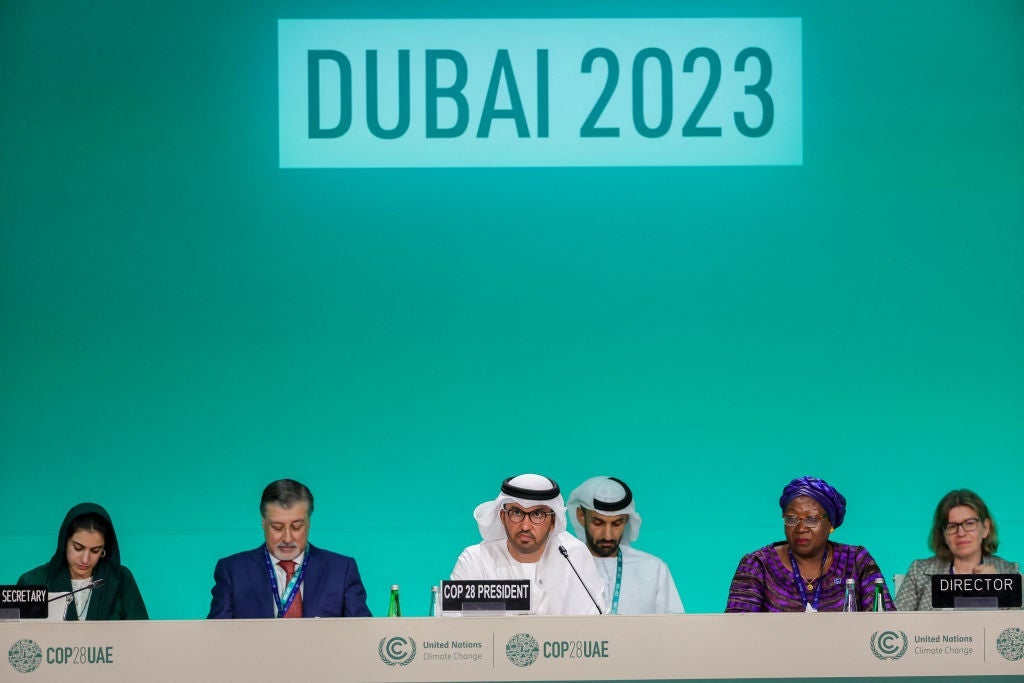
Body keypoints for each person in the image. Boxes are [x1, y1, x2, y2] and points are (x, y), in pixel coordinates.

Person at [726, 476, 894, 612]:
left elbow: (884, 627)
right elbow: (737, 631)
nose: (800, 528)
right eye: (791, 519)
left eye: (812, 519)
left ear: (831, 524)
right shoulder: (758, 565)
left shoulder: (856, 561)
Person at [208, 478, 371, 618]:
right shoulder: (233, 571)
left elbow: (363, 634)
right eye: (277, 527)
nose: (287, 538)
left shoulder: (341, 570)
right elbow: (216, 636)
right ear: (263, 523)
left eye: (296, 527)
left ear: (309, 523)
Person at [450, 473, 606, 615]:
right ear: (503, 517)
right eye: (516, 512)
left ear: (553, 521)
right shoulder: (475, 560)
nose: (525, 526)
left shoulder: (573, 557)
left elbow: (596, 624)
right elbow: (451, 624)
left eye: (537, 514)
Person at [567, 476, 684, 614]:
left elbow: (675, 624)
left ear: (626, 519)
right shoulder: (565, 565)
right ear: (581, 516)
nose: (608, 535)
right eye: (598, 523)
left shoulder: (654, 569)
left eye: (617, 523)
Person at [17, 502, 148, 620]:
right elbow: (15, 634)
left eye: (95, 551)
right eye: (78, 548)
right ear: (64, 543)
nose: (85, 559)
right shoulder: (33, 582)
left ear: (104, 550)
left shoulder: (121, 579)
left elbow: (142, 633)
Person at [895, 489, 1020, 611]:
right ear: (943, 534)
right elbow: (893, 621)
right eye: (952, 526)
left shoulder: (1010, 572)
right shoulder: (919, 572)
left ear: (985, 528)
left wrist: (1000, 588)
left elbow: (1019, 622)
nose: (961, 533)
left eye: (969, 523)